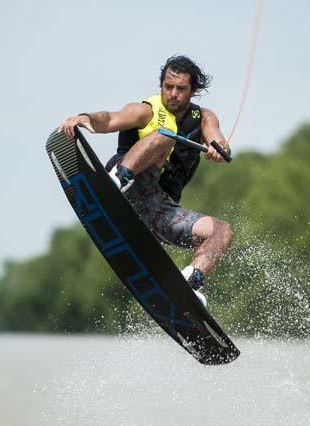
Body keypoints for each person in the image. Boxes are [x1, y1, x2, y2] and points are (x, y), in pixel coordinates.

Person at [59, 55, 232, 307]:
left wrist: (219, 148)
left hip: (158, 208)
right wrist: (85, 118)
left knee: (222, 231)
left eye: (181, 89)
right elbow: (110, 118)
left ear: (193, 91)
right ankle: (117, 181)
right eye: (167, 87)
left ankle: (188, 284)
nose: (173, 94)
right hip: (128, 188)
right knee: (166, 136)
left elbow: (216, 137)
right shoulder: (146, 110)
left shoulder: (203, 117)